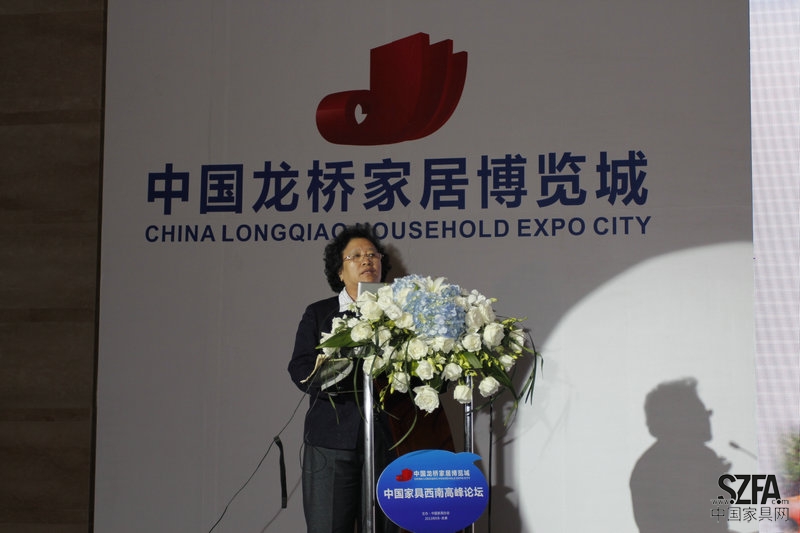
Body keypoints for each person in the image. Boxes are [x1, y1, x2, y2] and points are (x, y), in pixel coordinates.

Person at [288, 224, 453, 533]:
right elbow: (300, 368)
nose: (367, 260)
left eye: (373, 255)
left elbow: (428, 374)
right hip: (332, 441)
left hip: (390, 439)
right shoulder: (320, 313)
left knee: (389, 526)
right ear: (339, 271)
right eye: (356, 256)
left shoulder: (403, 315)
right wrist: (339, 374)